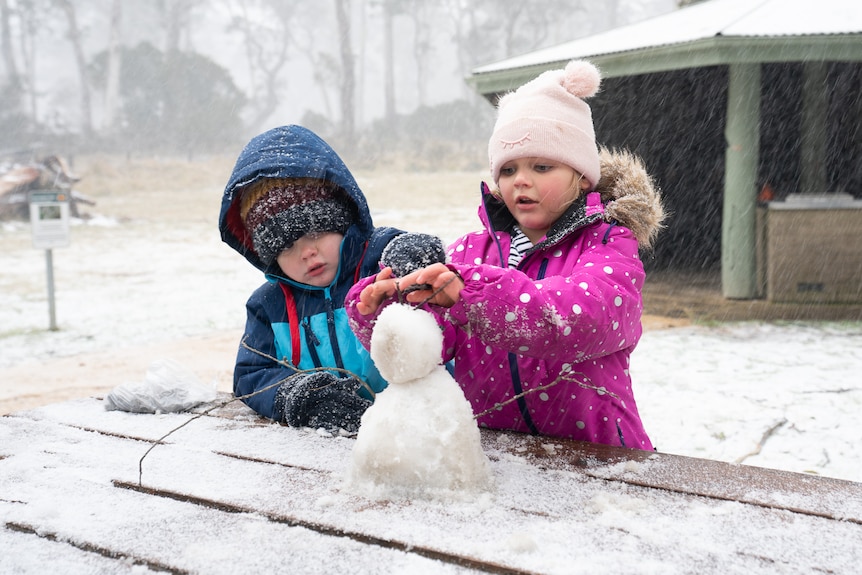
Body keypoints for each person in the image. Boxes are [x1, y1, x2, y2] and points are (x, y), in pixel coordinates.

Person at [347, 61, 665, 449]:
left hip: (602, 459)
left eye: (542, 165)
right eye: (508, 169)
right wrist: (387, 314)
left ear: (582, 176)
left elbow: (581, 320)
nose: (521, 180)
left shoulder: (607, 243)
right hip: (498, 458)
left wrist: (477, 296)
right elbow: (431, 348)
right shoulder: (470, 252)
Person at [219, 125, 444, 433]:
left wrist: (415, 256)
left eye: (316, 232)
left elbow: (418, 261)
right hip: (327, 448)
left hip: (423, 427)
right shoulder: (268, 307)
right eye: (286, 246)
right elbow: (250, 375)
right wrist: (300, 397)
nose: (307, 253)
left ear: (342, 221)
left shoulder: (378, 262)